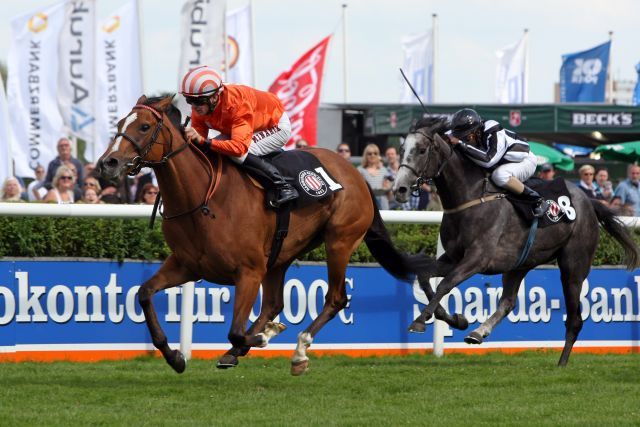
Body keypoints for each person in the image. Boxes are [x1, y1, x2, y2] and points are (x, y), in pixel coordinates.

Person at [181, 65, 298, 207]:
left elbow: (238, 148)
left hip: (274, 125)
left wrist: (206, 142)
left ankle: (284, 187)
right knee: (210, 150)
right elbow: (198, 144)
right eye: (189, 100)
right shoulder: (200, 108)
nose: (194, 106)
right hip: (245, 126)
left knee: (237, 155)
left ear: (215, 97)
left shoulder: (237, 103)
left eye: (199, 101)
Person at [447, 108, 547, 217]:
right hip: (504, 164)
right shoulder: (475, 133)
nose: (465, 140)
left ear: (474, 132)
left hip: (525, 161)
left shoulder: (494, 132)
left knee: (499, 176)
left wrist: (462, 144)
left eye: (466, 137)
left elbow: (488, 160)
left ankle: (537, 199)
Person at [357, 144, 391, 210]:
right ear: (365, 155)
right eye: (370, 153)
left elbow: (389, 193)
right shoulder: (360, 170)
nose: (373, 155)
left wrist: (387, 187)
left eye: (375, 153)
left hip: (383, 203)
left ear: (378, 155)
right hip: (367, 202)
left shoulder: (384, 170)